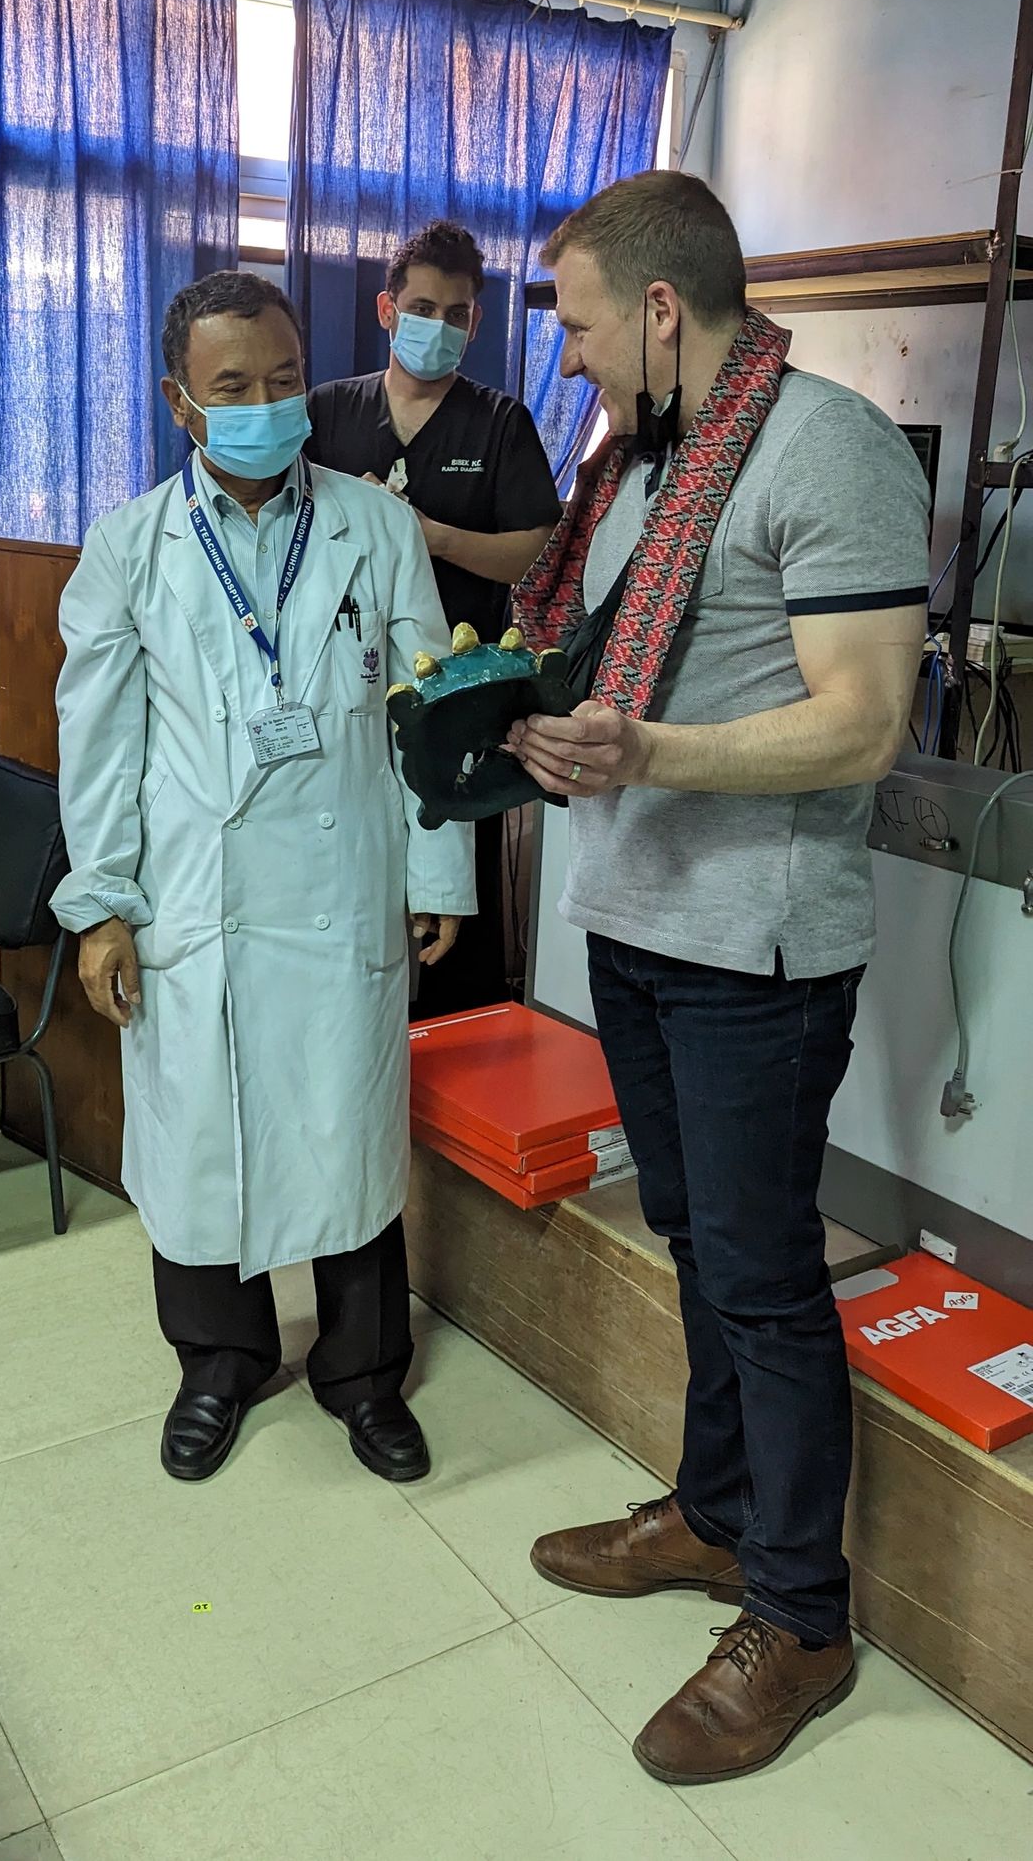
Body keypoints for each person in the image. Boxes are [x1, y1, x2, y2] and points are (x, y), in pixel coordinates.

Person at [506, 172, 928, 1784]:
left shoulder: (829, 451)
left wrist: (649, 748)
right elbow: (609, 663)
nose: (577, 357)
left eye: (590, 323)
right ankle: (716, 1517)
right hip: (635, 917)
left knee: (761, 1274)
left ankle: (803, 1617)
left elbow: (866, 719)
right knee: (696, 1243)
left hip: (754, 946)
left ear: (665, 311)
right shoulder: (643, 465)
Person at [51, 270, 475, 1487]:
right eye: (233, 387)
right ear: (182, 403)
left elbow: (427, 707)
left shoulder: (372, 522)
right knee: (198, 1138)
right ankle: (217, 1361)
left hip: (342, 882)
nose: (265, 405)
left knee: (345, 1127)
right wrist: (100, 907)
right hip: (196, 898)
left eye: (285, 381)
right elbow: (100, 748)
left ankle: (360, 1371)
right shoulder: (130, 547)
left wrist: (437, 862)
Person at [307, 220, 560, 1013]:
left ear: (476, 322)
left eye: (457, 314)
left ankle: (455, 1058)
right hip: (342, 688)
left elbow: (529, 552)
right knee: (346, 872)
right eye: (423, 307)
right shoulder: (330, 411)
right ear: (387, 310)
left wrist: (426, 537)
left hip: (462, 696)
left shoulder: (499, 423)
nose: (440, 327)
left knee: (450, 891)